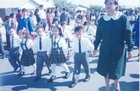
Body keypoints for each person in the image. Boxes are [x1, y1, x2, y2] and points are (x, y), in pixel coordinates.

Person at [93, 0, 134, 91]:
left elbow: (128, 34)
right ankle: (108, 87)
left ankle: (116, 85)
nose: (108, 5)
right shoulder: (102, 19)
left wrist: (130, 49)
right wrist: (95, 47)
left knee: (116, 69)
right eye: (106, 3)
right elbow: (98, 35)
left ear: (116, 5)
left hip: (118, 49)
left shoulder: (123, 18)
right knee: (105, 69)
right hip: (105, 48)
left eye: (110, 3)